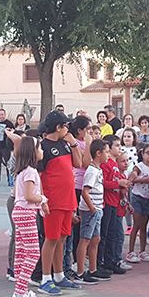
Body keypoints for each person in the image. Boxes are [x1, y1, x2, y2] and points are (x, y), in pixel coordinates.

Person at [36, 110, 82, 295]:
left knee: (62, 238)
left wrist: (73, 144)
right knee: (51, 238)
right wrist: (43, 199)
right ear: (58, 127)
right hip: (53, 200)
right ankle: (46, 278)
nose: (68, 129)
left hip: (67, 198)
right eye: (65, 126)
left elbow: (78, 164)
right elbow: (38, 175)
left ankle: (58, 275)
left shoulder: (65, 144)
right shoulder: (43, 147)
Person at [10, 135, 48, 297]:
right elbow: (29, 196)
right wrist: (42, 199)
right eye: (39, 148)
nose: (42, 151)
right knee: (33, 254)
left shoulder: (23, 171)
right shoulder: (31, 172)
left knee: (22, 254)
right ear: (33, 152)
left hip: (20, 213)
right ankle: (19, 292)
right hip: (25, 213)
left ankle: (22, 290)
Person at [64, 115, 92, 283]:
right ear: (80, 130)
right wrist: (88, 144)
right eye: (87, 129)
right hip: (76, 187)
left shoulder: (81, 143)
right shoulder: (75, 143)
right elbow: (85, 162)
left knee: (82, 225)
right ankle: (72, 261)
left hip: (85, 186)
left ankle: (80, 258)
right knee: (75, 225)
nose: (89, 132)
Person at [76, 139, 107, 284]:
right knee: (85, 239)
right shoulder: (92, 171)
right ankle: (81, 272)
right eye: (106, 152)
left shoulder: (98, 169)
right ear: (98, 153)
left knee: (95, 239)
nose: (107, 155)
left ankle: (93, 269)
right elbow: (85, 192)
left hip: (97, 208)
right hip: (90, 210)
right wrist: (93, 208)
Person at [125, 143, 149, 264]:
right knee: (137, 224)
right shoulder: (139, 167)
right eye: (148, 153)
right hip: (137, 197)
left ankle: (142, 251)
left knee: (144, 225)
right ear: (142, 154)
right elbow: (131, 178)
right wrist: (141, 179)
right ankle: (130, 251)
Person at [100, 135, 130, 274]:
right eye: (116, 145)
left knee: (112, 234)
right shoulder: (106, 164)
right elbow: (103, 183)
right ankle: (103, 262)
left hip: (115, 202)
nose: (119, 148)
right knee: (105, 234)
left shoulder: (114, 165)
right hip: (107, 202)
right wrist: (118, 183)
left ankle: (111, 260)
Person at [0, 109, 15, 186]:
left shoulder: (9, 123)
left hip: (5, 146)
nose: (1, 116)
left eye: (2, 114)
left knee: (8, 163)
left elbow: (12, 133)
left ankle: (10, 179)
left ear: (5, 115)